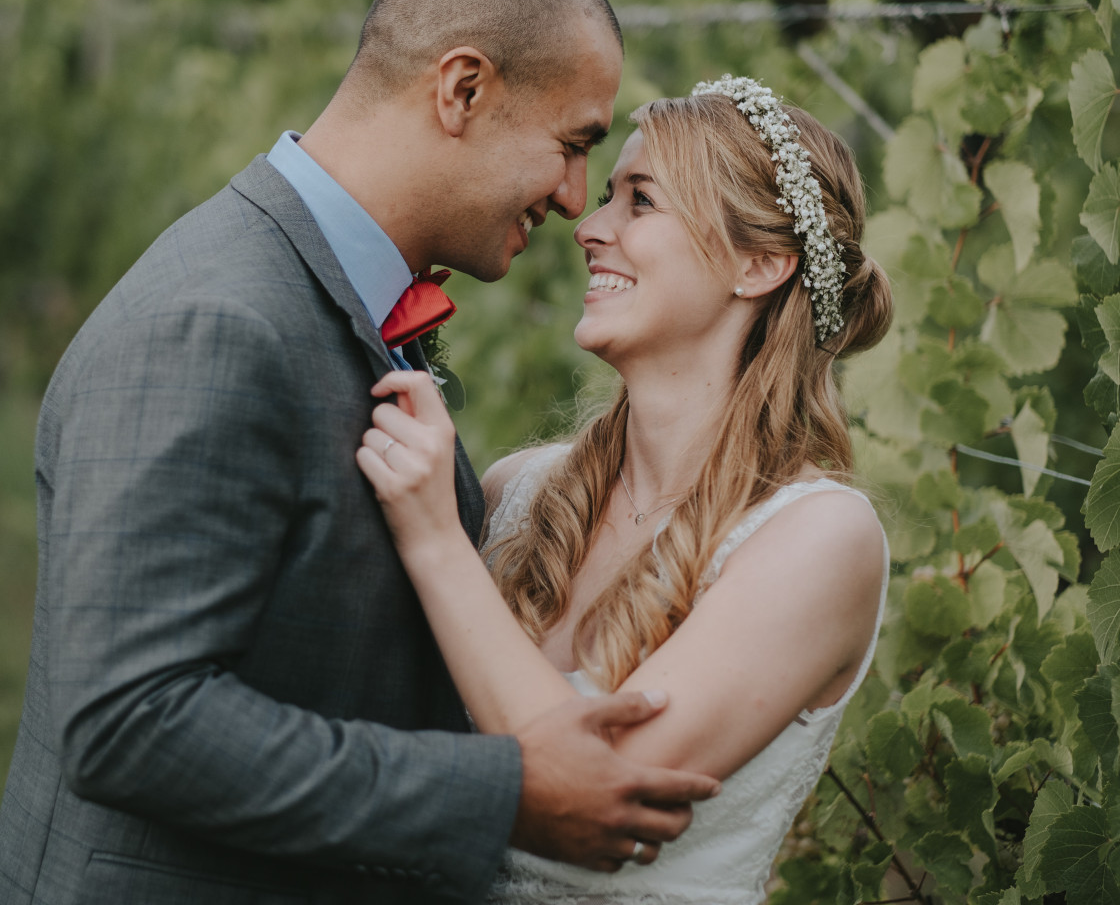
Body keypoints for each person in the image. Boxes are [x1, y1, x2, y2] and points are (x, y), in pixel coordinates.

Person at [0, 0, 723, 905]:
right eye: (573, 142)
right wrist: (499, 794)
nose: (574, 195)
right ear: (462, 90)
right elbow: (129, 717)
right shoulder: (218, 320)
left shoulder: (335, 294)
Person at [357, 77, 894, 904]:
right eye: (606, 196)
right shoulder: (518, 495)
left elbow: (599, 796)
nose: (590, 229)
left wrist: (432, 540)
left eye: (640, 202)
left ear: (758, 264)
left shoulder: (819, 540)